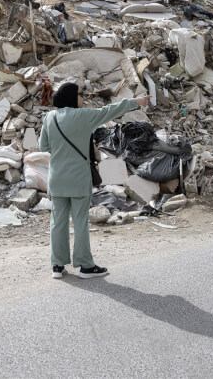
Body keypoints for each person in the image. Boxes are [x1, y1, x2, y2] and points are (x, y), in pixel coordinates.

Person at [38, 82, 150, 279]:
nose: (84, 98)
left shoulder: (49, 117)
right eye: (81, 94)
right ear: (73, 97)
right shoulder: (84, 116)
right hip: (79, 178)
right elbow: (109, 110)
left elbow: (43, 146)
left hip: (56, 178)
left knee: (57, 222)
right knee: (80, 222)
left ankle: (57, 266)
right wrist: (135, 101)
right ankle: (85, 266)